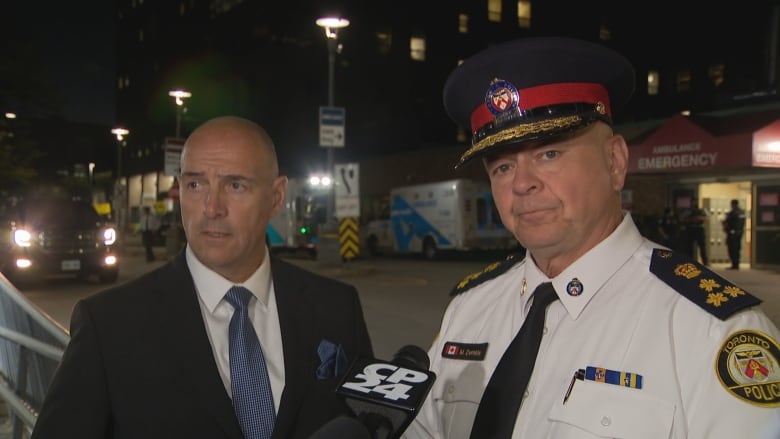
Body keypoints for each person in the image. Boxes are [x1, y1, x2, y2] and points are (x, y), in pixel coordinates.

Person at [403, 37, 780, 439]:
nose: (523, 184)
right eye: (502, 167)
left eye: (549, 154)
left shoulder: (709, 331)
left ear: (615, 162)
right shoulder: (469, 308)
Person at [31, 116, 374, 438]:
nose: (212, 207)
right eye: (195, 184)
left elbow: (370, 424)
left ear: (276, 197)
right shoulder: (107, 324)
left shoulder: (337, 307)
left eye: (235, 185)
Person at [680, 196, 709, 265]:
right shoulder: (688, 210)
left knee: (702, 246)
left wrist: (699, 218)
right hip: (691, 229)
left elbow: (707, 218)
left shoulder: (702, 210)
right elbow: (681, 218)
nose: (695, 203)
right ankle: (690, 261)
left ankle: (705, 262)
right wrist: (691, 219)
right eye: (693, 201)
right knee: (689, 247)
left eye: (696, 201)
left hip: (699, 229)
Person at [723, 199, 746, 269]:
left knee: (732, 249)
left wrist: (725, 227)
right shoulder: (742, 212)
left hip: (732, 233)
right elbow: (743, 222)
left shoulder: (732, 213)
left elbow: (727, 222)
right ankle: (736, 264)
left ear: (733, 204)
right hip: (739, 232)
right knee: (737, 249)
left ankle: (734, 264)